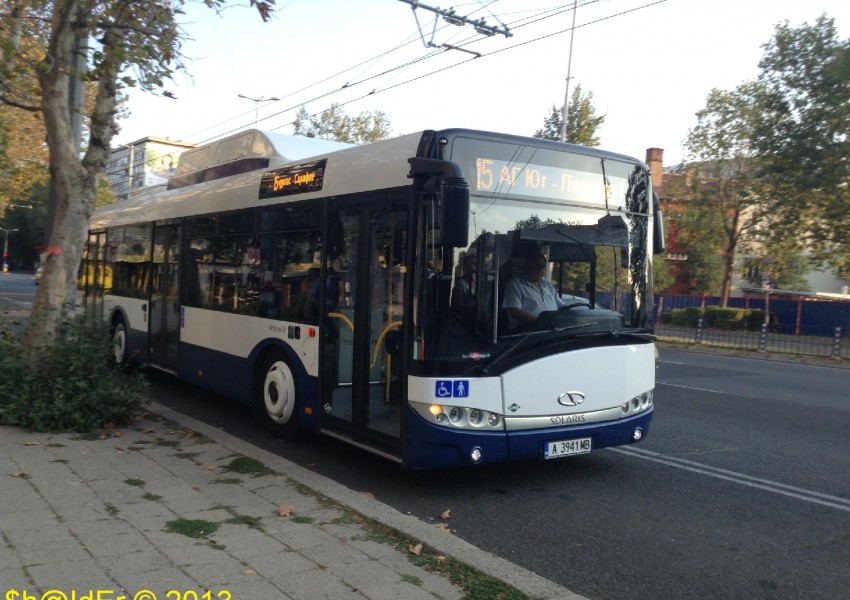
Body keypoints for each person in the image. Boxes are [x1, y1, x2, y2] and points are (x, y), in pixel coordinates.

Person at [502, 252, 564, 330]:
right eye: (536, 266)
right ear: (527, 266)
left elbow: (562, 307)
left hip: (551, 330)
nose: (540, 269)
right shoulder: (515, 284)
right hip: (526, 331)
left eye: (542, 267)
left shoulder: (547, 285)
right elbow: (515, 311)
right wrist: (540, 322)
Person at [451, 253, 477, 319]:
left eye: (474, 264)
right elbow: (459, 307)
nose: (471, 267)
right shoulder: (460, 284)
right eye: (468, 265)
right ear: (464, 267)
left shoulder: (480, 283)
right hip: (467, 319)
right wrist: (475, 306)